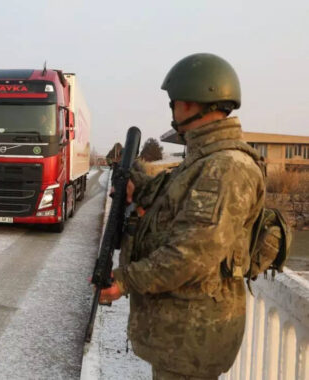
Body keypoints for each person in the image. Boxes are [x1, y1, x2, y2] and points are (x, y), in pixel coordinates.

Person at [100, 53, 265, 380]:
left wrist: (123, 281)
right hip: (180, 333)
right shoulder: (203, 161)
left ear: (191, 103)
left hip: (192, 339)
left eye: (174, 102)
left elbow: (191, 255)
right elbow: (172, 203)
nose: (172, 110)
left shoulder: (225, 167)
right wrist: (136, 183)